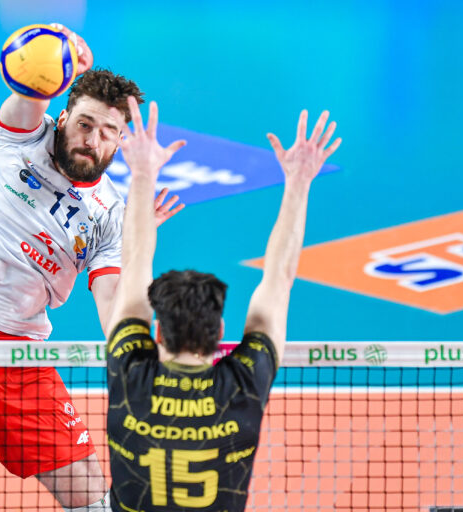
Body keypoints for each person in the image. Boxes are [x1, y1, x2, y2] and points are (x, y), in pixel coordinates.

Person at [0, 25, 183, 512]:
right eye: (85, 124)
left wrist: (140, 241)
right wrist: (60, 59)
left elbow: (113, 308)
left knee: (92, 495)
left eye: (108, 133)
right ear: (63, 116)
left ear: (120, 143)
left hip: (20, 357)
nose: (92, 140)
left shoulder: (111, 215)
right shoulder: (22, 136)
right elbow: (28, 92)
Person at [104, 97, 341, 511]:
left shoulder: (130, 376)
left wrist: (142, 173)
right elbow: (280, 279)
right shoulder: (243, 385)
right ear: (221, 334)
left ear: (157, 332)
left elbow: (135, 262)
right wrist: (299, 181)